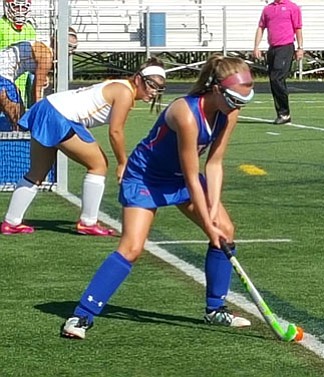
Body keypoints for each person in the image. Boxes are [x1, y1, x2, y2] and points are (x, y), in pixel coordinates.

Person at [60, 54, 254, 340]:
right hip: (146, 178)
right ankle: (81, 315)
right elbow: (191, 174)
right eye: (234, 99)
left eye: (243, 100)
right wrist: (207, 222)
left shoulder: (229, 113)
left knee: (224, 229)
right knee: (132, 247)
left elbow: (213, 164)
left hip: (178, 179)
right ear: (215, 89)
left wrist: (212, 214)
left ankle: (215, 309)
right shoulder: (186, 114)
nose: (238, 106)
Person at [1, 57, 166, 236]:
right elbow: (116, 132)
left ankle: (11, 222)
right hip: (61, 116)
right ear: (138, 79)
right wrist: (122, 162)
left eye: (158, 88)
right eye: (151, 85)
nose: (154, 92)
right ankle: (88, 222)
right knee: (99, 165)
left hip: (47, 108)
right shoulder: (125, 93)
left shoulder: (120, 85)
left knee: (37, 173)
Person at [253, 0, 303, 125]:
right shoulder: (268, 9)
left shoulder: (292, 7)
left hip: (285, 47)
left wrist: (300, 48)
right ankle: (282, 112)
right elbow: (261, 27)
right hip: (273, 48)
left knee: (277, 78)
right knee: (274, 79)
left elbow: (298, 28)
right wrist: (256, 46)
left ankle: (284, 112)